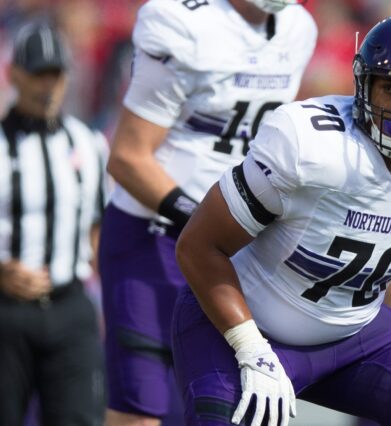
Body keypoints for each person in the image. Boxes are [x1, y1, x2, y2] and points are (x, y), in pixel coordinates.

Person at [173, 10, 391, 426]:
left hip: (356, 337)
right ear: (364, 85)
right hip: (243, 325)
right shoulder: (307, 145)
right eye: (390, 88)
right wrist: (250, 348)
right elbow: (199, 247)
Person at [97, 0, 317, 424]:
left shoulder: (298, 28)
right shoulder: (180, 22)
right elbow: (127, 157)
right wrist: (206, 222)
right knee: (140, 409)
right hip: (154, 234)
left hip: (238, 245)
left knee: (229, 402)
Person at [0, 22, 107, 426]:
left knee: (80, 418)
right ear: (13, 74)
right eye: (37, 74)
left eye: (55, 74)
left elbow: (97, 229)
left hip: (70, 307)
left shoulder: (88, 144)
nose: (47, 86)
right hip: (6, 313)